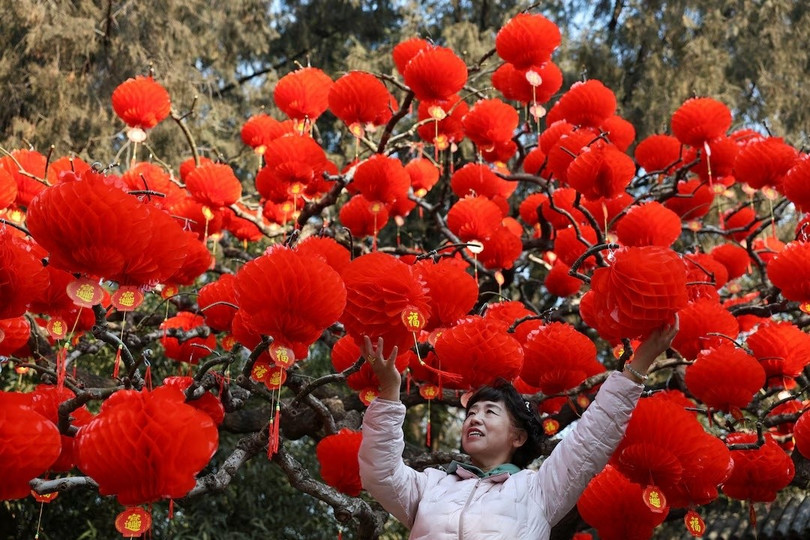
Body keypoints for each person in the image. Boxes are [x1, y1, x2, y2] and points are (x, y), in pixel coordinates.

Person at [357, 319, 679, 539]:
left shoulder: (539, 491)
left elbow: (589, 438)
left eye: (490, 412)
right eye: (471, 412)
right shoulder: (431, 485)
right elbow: (380, 472)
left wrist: (639, 365)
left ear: (518, 436)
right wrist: (389, 392)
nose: (474, 419)